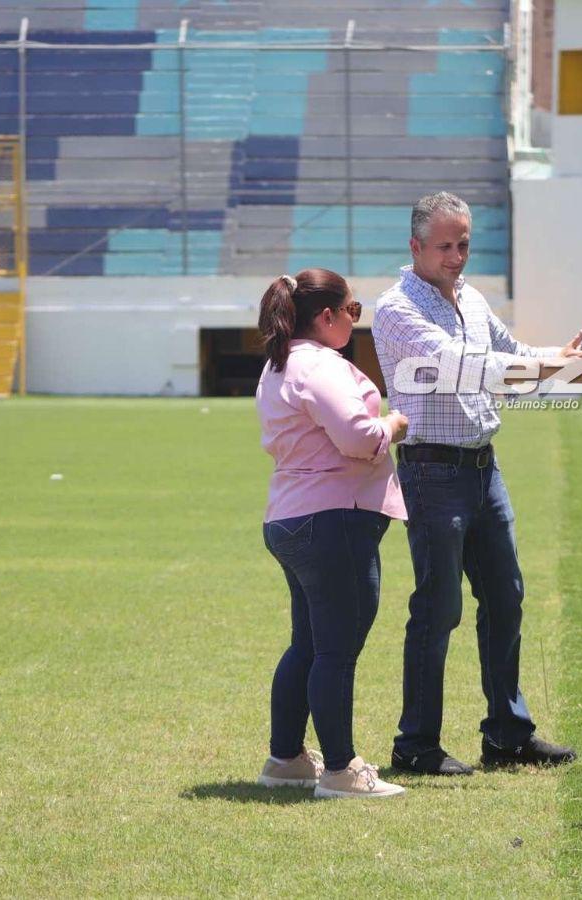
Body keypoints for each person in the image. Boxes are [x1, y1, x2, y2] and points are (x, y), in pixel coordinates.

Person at [372, 191, 582, 774]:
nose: (456, 256)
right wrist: (566, 365)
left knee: (506, 597)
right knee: (438, 607)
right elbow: (470, 368)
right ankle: (415, 744)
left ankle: (506, 735)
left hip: (479, 467)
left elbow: (513, 355)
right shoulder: (397, 309)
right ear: (415, 247)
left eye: (463, 243)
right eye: (444, 245)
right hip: (431, 469)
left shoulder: (470, 299)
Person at [255, 268, 411, 800]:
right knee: (336, 650)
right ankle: (342, 771)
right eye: (353, 311)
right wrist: (393, 424)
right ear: (326, 317)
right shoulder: (320, 365)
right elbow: (358, 437)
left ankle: (287, 759)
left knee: (310, 644)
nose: (354, 320)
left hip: (295, 516)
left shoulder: (281, 364)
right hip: (332, 518)